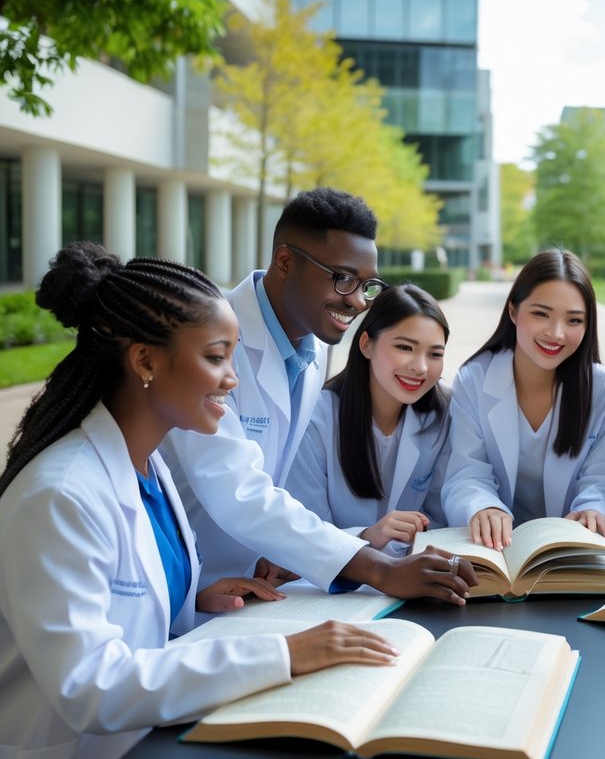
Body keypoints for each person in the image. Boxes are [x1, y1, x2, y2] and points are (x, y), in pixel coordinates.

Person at [0, 244, 401, 759]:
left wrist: (187, 598)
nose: (233, 381)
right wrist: (284, 653)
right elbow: (89, 687)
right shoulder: (59, 495)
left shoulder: (148, 465)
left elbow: (120, 598)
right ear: (145, 360)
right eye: (215, 358)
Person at [159, 187, 474, 602]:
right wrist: (379, 569)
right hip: (182, 585)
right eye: (344, 279)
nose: (358, 302)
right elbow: (237, 490)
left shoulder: (316, 344)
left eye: (367, 285)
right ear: (285, 262)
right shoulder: (205, 343)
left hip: (252, 585)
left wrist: (281, 554)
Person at [442, 248, 605, 549]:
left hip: (570, 550)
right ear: (514, 311)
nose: (556, 334)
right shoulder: (474, 379)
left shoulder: (602, 387)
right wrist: (483, 507)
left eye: (574, 320)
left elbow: (603, 474)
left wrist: (594, 509)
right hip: (497, 549)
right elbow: (467, 470)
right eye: (541, 314)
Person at [284, 284, 451, 554]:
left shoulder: (442, 413)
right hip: (332, 585)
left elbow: (441, 519)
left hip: (415, 575)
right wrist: (367, 536)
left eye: (435, 354)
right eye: (405, 347)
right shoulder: (318, 418)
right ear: (366, 345)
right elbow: (306, 530)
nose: (420, 367)